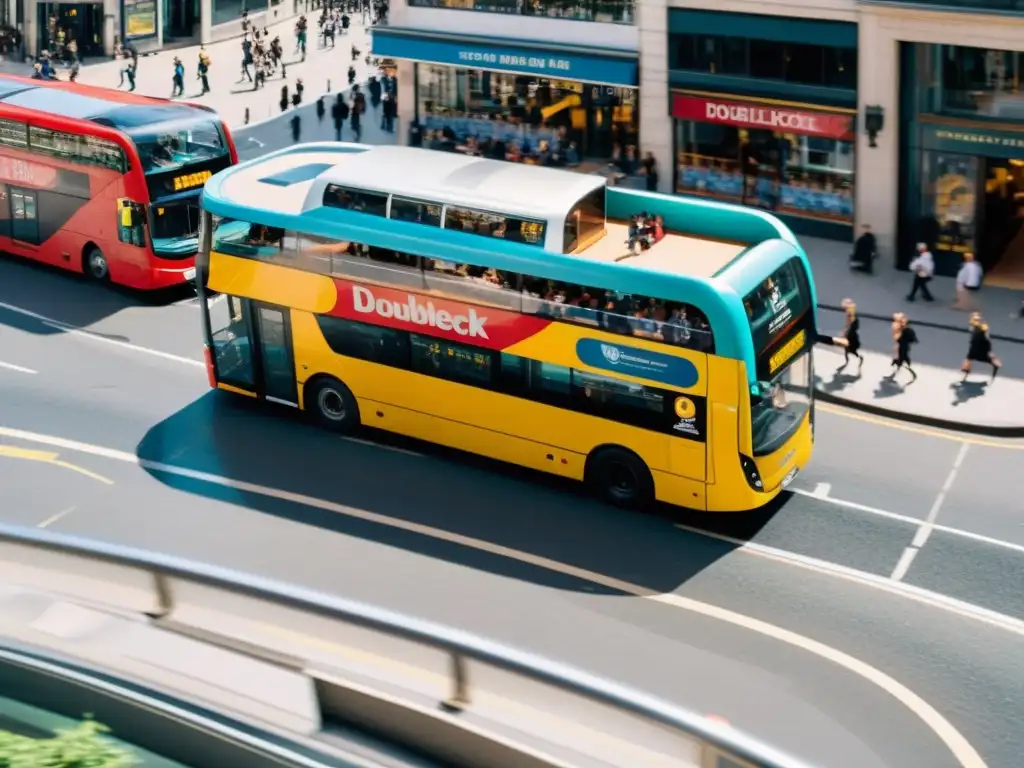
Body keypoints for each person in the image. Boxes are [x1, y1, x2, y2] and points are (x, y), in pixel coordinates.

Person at [961, 313, 1001, 382]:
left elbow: (986, 341)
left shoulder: (981, 329)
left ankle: (995, 364)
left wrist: (989, 350)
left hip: (979, 348)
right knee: (969, 357)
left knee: (982, 358)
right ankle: (966, 369)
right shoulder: (975, 328)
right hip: (974, 346)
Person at [833, 298, 863, 372]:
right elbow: (848, 325)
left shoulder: (851, 314)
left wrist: (845, 332)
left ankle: (859, 358)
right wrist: (844, 332)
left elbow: (849, 325)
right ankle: (848, 361)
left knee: (851, 350)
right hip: (850, 334)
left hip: (851, 335)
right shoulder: (850, 314)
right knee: (846, 349)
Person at [887, 312, 918, 383]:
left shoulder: (905, 330)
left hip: (903, 346)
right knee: (902, 357)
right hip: (903, 346)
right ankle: (899, 364)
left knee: (902, 357)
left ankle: (902, 366)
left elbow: (901, 338)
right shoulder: (904, 329)